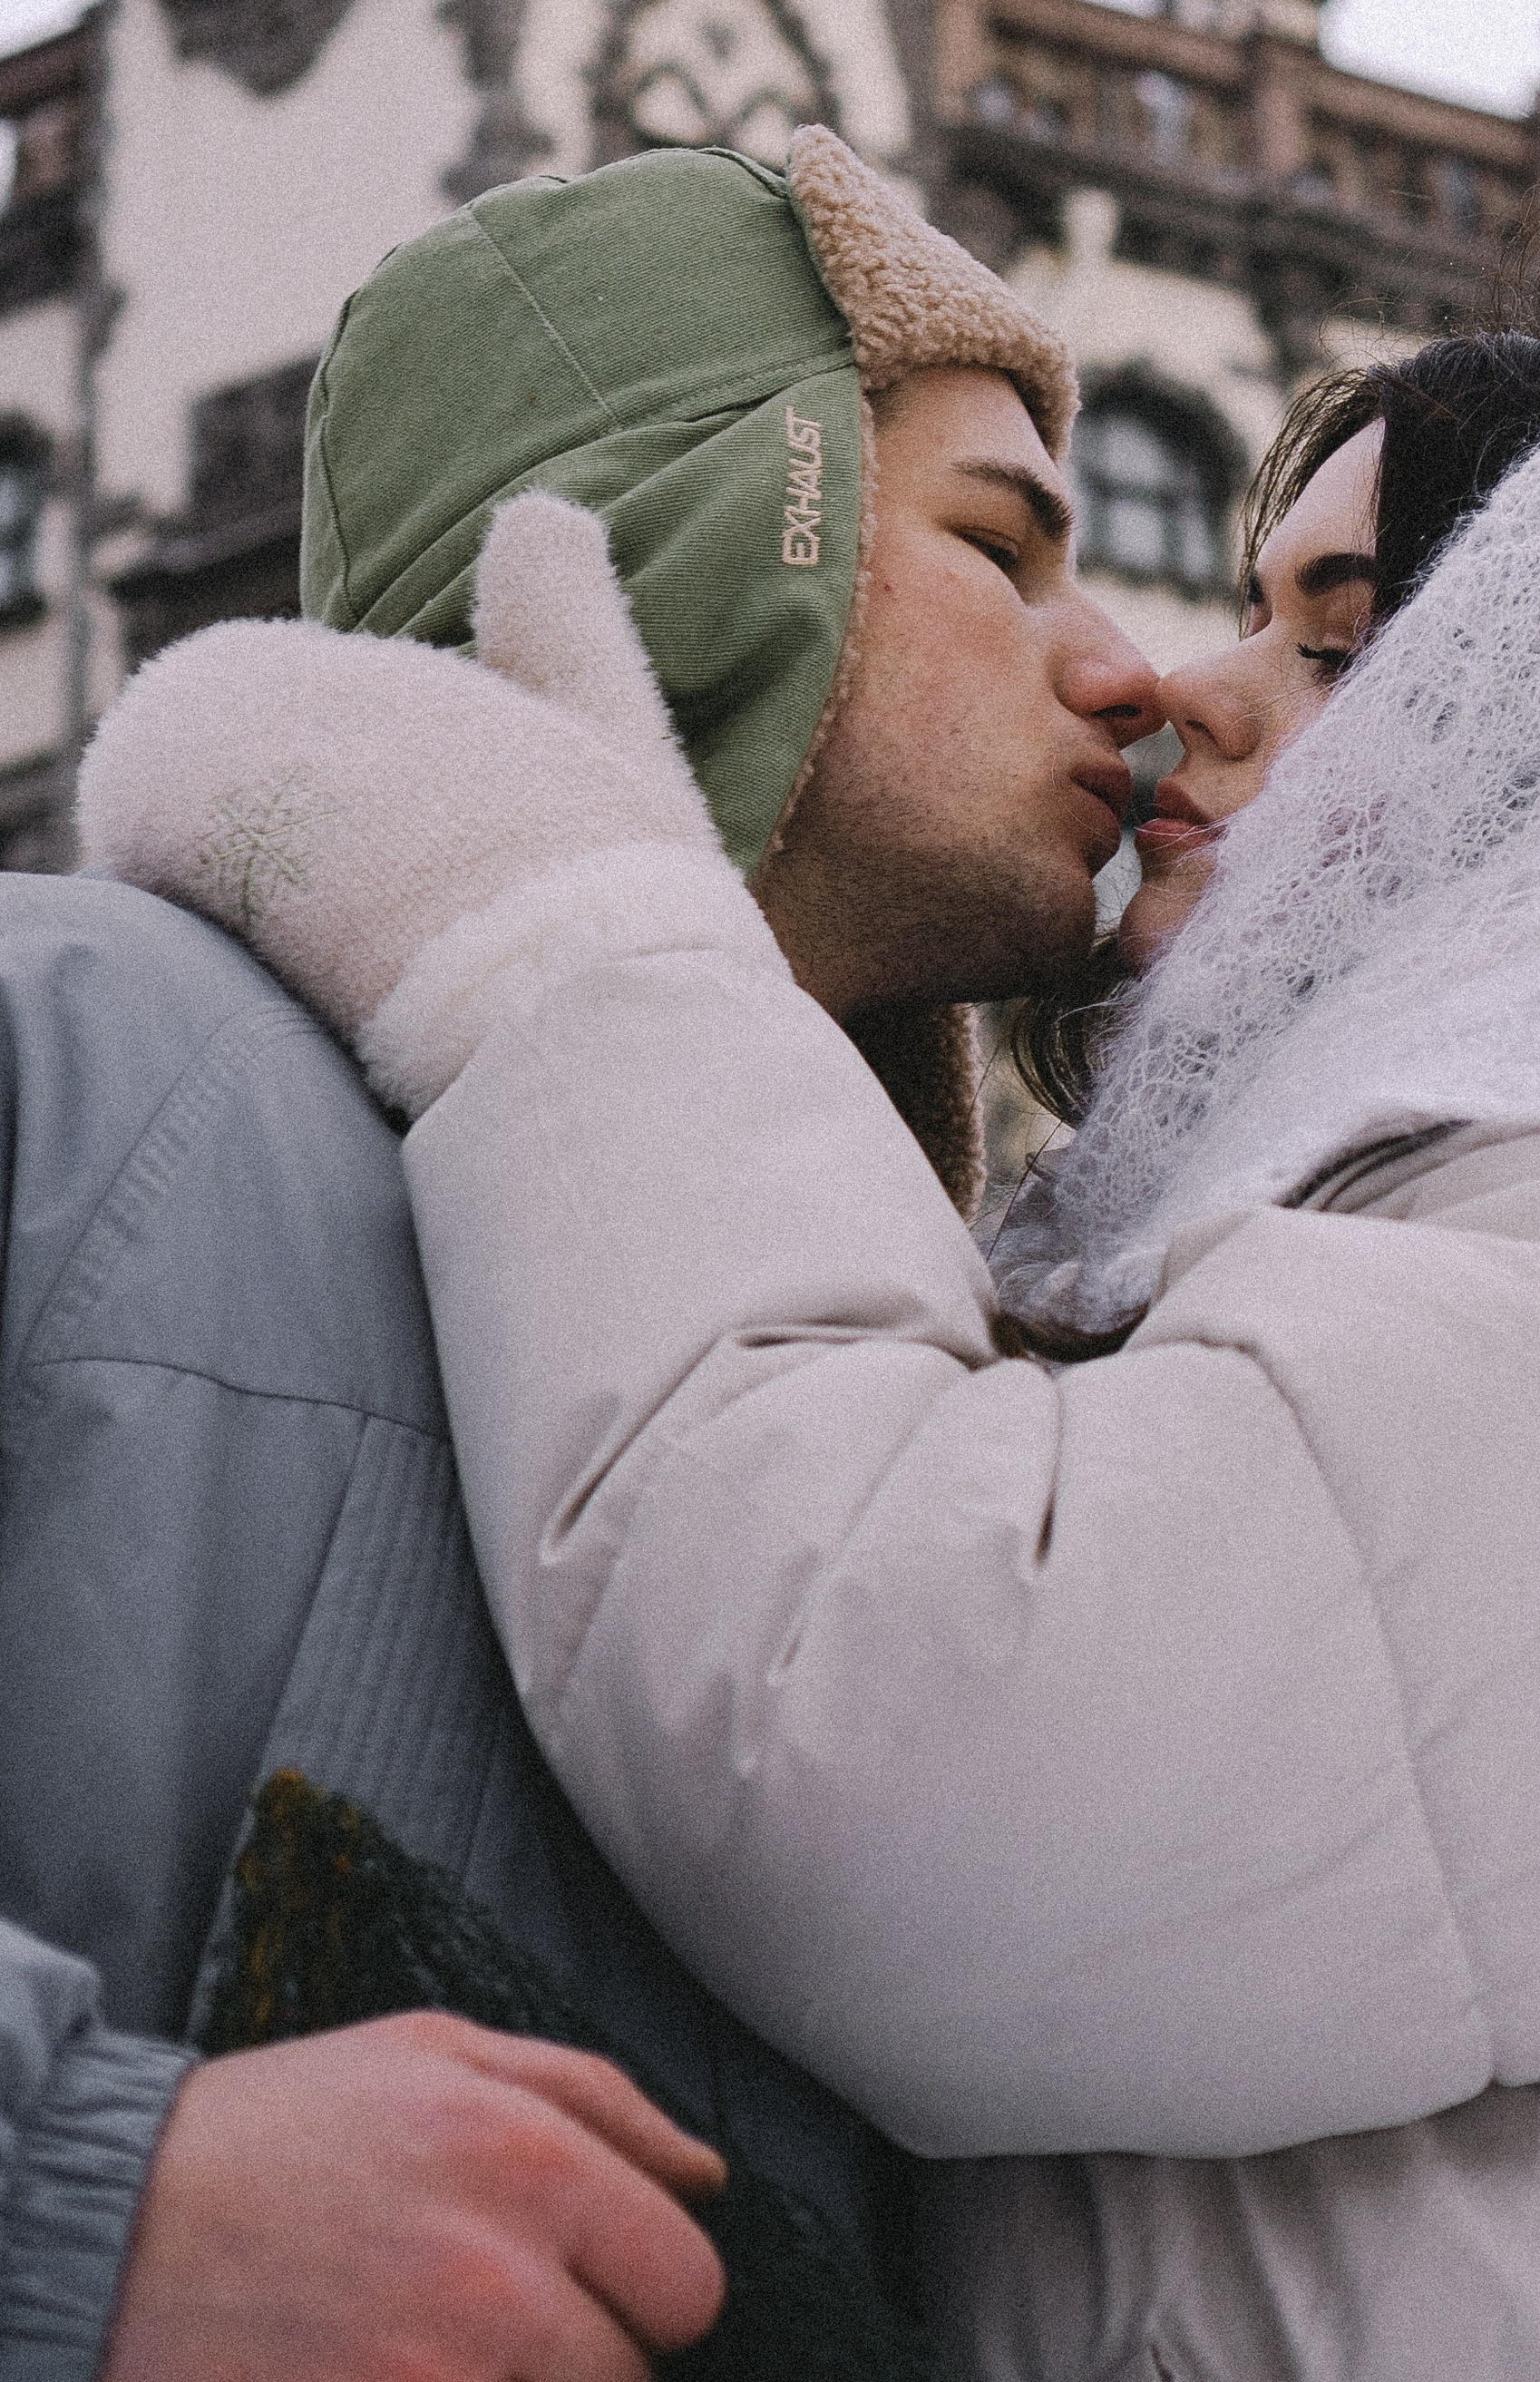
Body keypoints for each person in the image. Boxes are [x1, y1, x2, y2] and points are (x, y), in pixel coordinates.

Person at [85, 285, 1540, 2375]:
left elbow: (936, 1750)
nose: (1183, 688)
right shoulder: (1528, 1206)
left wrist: (566, 943)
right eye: (1252, 606)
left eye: (1352, 651)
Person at [2, 127, 1161, 2379]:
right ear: (733, 546)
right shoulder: (79, 1046)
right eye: (998, 550)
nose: (1125, 670)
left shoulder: (925, 1393)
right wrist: (91, 2192)